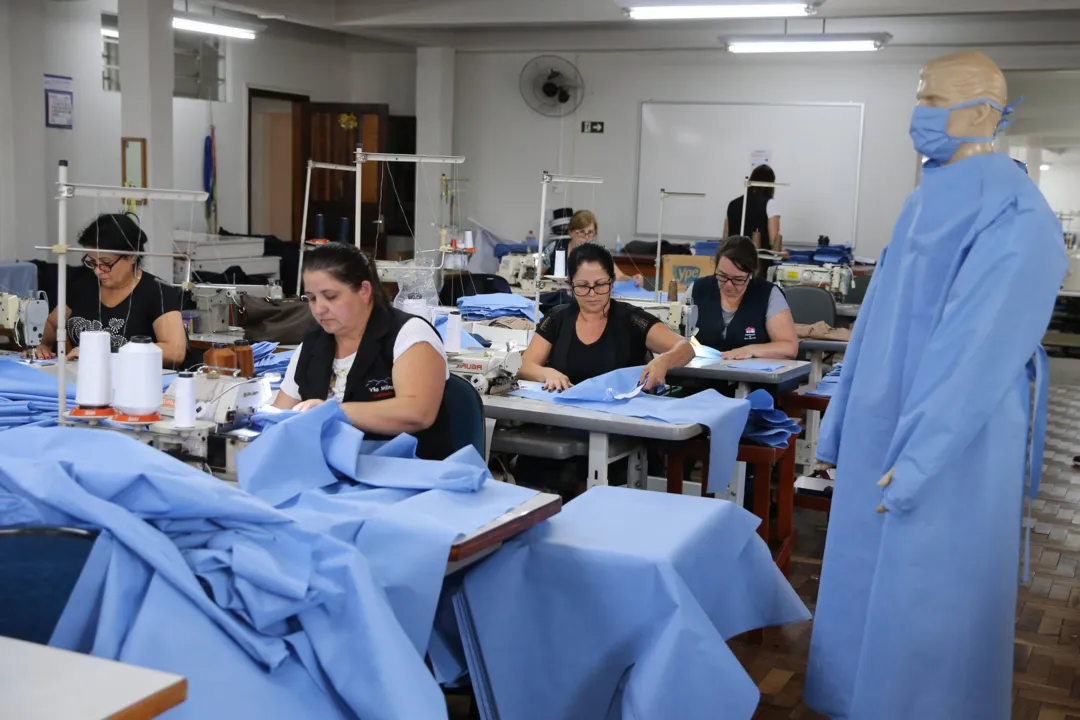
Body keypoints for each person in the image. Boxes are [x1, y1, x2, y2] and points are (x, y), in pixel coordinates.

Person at [804, 51, 1066, 720]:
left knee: (930, 613)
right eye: (918, 99)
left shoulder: (1019, 218)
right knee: (865, 600)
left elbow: (975, 353)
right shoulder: (922, 203)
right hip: (879, 437)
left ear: (981, 113)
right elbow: (874, 326)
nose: (918, 116)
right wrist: (838, 425)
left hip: (953, 452)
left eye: (931, 100)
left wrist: (917, 459)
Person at [274, 243, 453, 460]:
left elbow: (417, 413)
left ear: (364, 291)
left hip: (404, 471)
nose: (319, 308)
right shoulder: (312, 346)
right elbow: (279, 419)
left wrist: (335, 412)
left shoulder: (409, 335)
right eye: (311, 298)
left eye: (330, 296)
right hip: (332, 471)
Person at [521, 242, 694, 392]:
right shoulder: (557, 318)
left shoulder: (631, 320)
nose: (592, 294)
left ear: (612, 282)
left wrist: (664, 361)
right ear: (570, 283)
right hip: (564, 417)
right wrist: (546, 373)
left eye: (600, 285)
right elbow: (524, 365)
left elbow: (685, 348)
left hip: (620, 419)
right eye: (582, 286)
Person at [29, 213, 189, 368]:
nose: (98, 271)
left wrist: (106, 352)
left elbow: (175, 352)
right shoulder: (84, 285)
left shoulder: (158, 292)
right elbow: (52, 323)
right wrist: (42, 344)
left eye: (106, 263)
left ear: (132, 256)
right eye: (92, 262)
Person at [692, 236, 798, 360]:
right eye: (722, 276)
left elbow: (789, 348)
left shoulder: (768, 295)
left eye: (738, 279)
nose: (728, 285)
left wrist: (751, 350)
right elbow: (676, 336)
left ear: (751, 274)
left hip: (751, 376)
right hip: (702, 373)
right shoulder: (698, 289)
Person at [547, 210, 645, 286]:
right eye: (581, 232)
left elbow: (619, 276)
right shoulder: (553, 248)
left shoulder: (601, 252)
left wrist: (632, 279)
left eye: (590, 233)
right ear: (570, 232)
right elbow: (538, 276)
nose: (586, 237)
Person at [723, 164, 781, 276]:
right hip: (758, 266)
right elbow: (774, 242)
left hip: (733, 264)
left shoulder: (732, 204)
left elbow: (725, 238)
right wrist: (783, 253)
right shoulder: (770, 204)